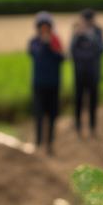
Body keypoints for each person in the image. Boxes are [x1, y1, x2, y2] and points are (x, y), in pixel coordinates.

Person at [27, 11, 64, 154]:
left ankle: (50, 143)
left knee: (52, 115)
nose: (44, 29)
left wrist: (51, 46)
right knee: (39, 114)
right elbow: (35, 54)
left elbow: (61, 57)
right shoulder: (34, 42)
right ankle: (38, 142)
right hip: (39, 84)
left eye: (46, 26)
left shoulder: (55, 41)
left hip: (53, 84)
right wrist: (44, 44)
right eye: (41, 27)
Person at [69, 7, 103, 137]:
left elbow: (102, 49)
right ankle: (78, 126)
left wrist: (91, 36)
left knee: (93, 101)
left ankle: (92, 126)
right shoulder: (77, 32)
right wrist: (77, 35)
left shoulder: (98, 32)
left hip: (93, 72)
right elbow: (71, 51)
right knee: (78, 100)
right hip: (79, 73)